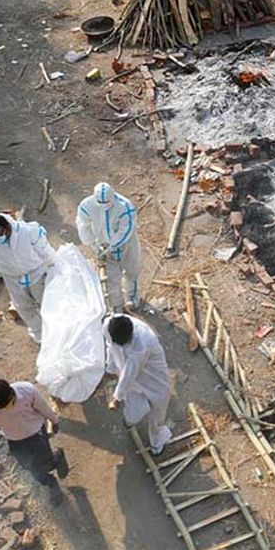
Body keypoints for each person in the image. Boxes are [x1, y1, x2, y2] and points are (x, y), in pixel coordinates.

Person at [0, 379, 67, 504]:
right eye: (3, 407)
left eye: (11, 403)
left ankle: (57, 458)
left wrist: (54, 420)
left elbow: (42, 406)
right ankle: (51, 482)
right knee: (31, 468)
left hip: (37, 433)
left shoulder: (27, 390)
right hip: (16, 441)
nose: (9, 408)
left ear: (12, 392)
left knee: (45, 462)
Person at [104, 314, 172, 454]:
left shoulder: (142, 342)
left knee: (158, 408)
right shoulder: (108, 326)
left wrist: (117, 397)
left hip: (153, 375)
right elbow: (110, 347)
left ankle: (157, 440)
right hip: (128, 373)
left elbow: (130, 372)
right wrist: (110, 367)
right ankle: (130, 419)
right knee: (134, 407)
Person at [75, 182, 141, 312]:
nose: (105, 206)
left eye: (108, 203)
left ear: (113, 196)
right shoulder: (86, 206)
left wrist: (112, 245)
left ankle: (132, 298)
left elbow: (125, 230)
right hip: (102, 245)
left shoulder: (125, 206)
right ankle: (116, 306)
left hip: (126, 243)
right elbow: (83, 226)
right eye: (101, 203)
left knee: (132, 271)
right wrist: (93, 244)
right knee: (111, 279)